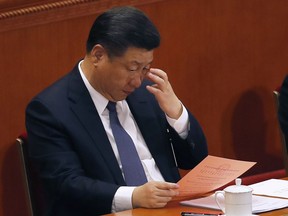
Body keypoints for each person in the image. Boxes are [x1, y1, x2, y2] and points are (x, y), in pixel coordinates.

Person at [25, 6, 208, 216]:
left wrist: (176, 113)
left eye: (145, 68)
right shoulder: (50, 110)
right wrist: (133, 196)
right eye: (131, 68)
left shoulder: (146, 95)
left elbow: (194, 160)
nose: (138, 80)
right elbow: (66, 184)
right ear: (98, 55)